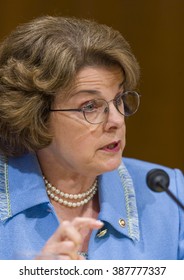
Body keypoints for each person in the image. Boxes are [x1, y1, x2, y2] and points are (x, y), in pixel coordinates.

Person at [0, 16, 183, 260]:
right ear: (36, 114)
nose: (117, 120)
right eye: (90, 106)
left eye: (118, 99)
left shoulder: (167, 195)